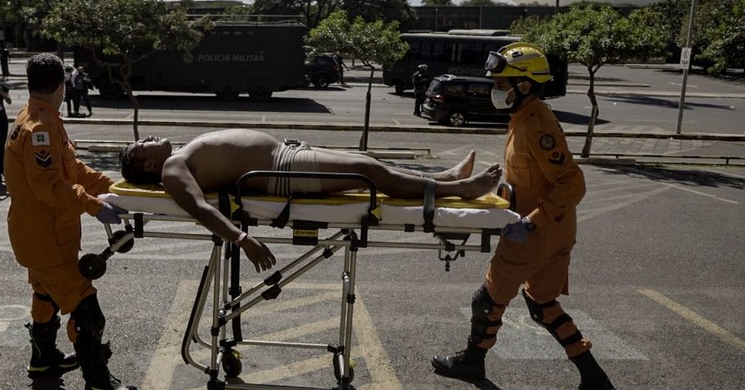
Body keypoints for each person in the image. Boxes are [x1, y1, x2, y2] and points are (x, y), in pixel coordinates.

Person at [430, 43, 619, 390]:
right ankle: (595, 380)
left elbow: (572, 184)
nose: (496, 89)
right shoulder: (524, 116)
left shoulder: (538, 125)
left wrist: (530, 223)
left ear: (527, 85)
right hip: (553, 232)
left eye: (503, 83)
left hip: (535, 233)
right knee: (542, 304)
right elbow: (532, 179)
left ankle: (472, 362)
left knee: (486, 300)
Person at [120, 129, 502, 273]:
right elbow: (200, 208)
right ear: (147, 163)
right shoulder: (172, 169)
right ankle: (460, 190)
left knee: (371, 168)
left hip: (285, 157)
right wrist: (241, 239)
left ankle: (445, 180)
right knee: (369, 172)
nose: (149, 136)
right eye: (143, 144)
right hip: (282, 168)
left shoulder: (175, 158)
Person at [5, 53, 139, 390]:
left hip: (38, 235)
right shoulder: (39, 127)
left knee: (44, 295)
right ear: (62, 86)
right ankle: (99, 386)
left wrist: (116, 187)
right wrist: (94, 206)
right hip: (47, 238)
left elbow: (72, 169)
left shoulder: (39, 118)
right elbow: (50, 185)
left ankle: (43, 358)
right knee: (86, 310)